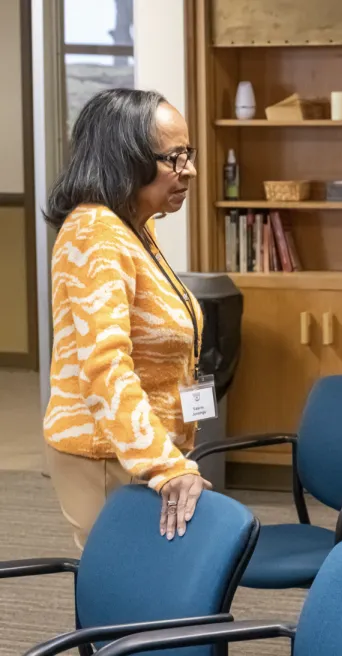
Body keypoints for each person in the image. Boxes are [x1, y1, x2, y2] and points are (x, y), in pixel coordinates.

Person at [43, 88, 211, 549]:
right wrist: (165, 465)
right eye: (174, 158)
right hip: (108, 457)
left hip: (144, 454)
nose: (190, 170)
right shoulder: (95, 232)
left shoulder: (136, 227)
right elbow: (105, 366)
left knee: (162, 584)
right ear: (125, 159)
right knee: (129, 588)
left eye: (188, 154)